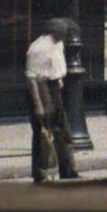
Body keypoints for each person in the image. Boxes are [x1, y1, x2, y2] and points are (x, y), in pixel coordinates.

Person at [25, 18, 80, 183]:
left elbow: (56, 69)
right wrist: (38, 105)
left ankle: (68, 169)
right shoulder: (38, 49)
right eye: (65, 32)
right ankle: (40, 172)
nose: (67, 36)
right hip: (42, 89)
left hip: (54, 88)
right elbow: (31, 79)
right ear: (55, 31)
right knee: (43, 133)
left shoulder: (58, 44)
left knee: (63, 132)